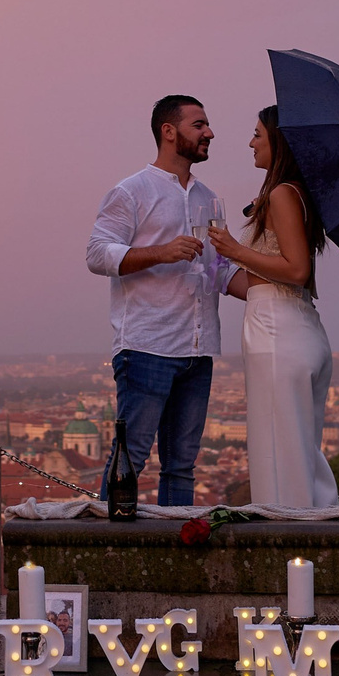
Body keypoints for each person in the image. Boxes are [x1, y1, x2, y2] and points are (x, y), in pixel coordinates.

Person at [85, 95, 228, 508]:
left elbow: (220, 272)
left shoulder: (209, 198)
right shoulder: (131, 192)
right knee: (131, 458)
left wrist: (279, 285)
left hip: (198, 349)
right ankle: (109, 551)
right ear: (169, 131)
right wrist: (161, 252)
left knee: (182, 465)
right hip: (146, 347)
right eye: (199, 125)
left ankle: (179, 548)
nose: (210, 133)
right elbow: (97, 254)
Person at [208, 106, 337, 509]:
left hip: (278, 331)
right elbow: (264, 284)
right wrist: (218, 271)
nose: (250, 142)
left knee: (278, 453)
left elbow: (296, 270)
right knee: (298, 449)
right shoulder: (296, 194)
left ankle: (293, 553)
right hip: (295, 324)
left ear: (279, 141)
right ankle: (310, 547)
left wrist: (234, 249)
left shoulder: (282, 193)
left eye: (258, 134)